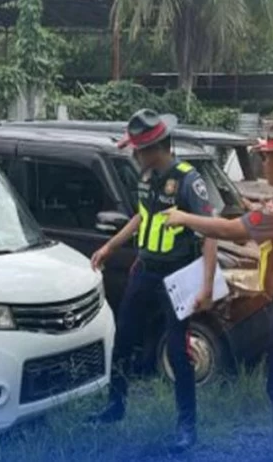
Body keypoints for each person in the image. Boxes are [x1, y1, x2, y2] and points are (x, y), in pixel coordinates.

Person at [163, 111, 273, 462]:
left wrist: (185, 218)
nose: (262, 163)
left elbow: (236, 232)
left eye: (267, 156)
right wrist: (252, 207)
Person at [87, 108, 218, 454]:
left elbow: (210, 234)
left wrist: (206, 286)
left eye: (137, 149)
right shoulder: (145, 178)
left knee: (178, 350)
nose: (133, 155)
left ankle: (187, 428)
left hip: (177, 276)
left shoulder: (190, 180)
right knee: (123, 338)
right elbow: (139, 219)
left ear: (154, 147)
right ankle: (115, 407)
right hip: (144, 272)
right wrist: (110, 247)